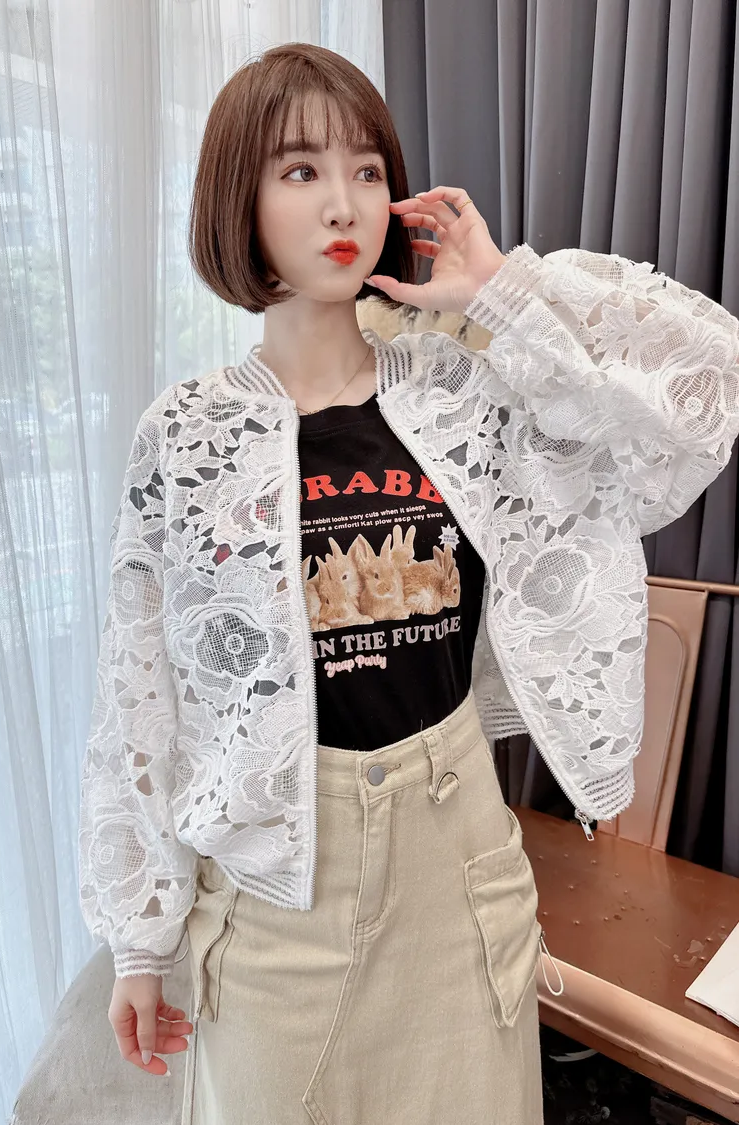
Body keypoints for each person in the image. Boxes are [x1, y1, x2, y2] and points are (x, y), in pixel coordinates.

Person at [77, 41, 739, 1125]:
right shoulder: (188, 436)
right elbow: (138, 688)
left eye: (368, 169)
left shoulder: (466, 396)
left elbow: (702, 394)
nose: (343, 200)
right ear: (237, 199)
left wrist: (505, 291)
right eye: (300, 170)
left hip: (455, 870)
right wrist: (139, 943)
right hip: (273, 907)